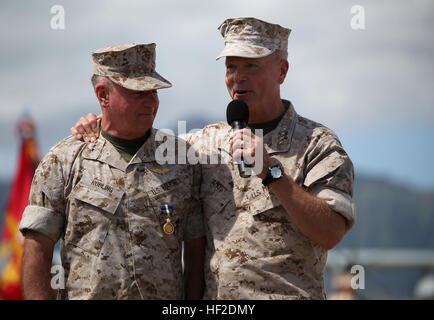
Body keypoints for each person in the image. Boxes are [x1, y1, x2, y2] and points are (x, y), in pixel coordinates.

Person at [71, 17, 355, 300]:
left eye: (251, 65)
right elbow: (134, 144)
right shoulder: (201, 145)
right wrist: (101, 124)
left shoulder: (317, 144)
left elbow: (331, 233)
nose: (237, 77)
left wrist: (272, 173)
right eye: (231, 66)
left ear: (282, 71)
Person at [19, 43, 205, 300]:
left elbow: (196, 251)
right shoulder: (62, 160)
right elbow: (37, 252)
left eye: (154, 91)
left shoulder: (182, 160)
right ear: (103, 95)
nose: (151, 100)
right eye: (138, 92)